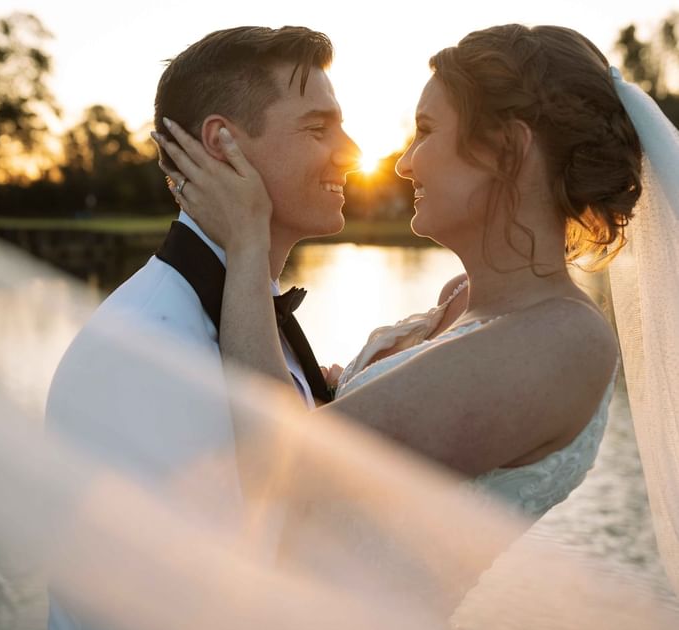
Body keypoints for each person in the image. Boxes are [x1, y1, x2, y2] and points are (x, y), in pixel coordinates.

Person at [157, 23, 636, 518]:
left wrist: (247, 239)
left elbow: (281, 471)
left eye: (425, 131)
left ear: (507, 152)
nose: (405, 163)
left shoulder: (562, 341)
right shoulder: (460, 297)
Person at [34, 25, 359, 630]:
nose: (350, 151)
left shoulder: (250, 323)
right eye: (317, 127)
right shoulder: (147, 350)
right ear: (224, 145)